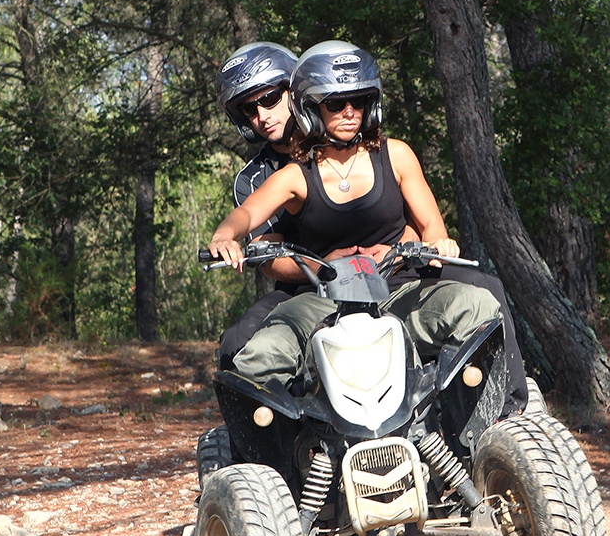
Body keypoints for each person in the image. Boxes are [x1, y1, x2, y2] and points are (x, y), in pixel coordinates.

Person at [208, 41, 501, 396]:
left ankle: (501, 404)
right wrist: (226, 237)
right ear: (312, 105)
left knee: (483, 294)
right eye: (335, 103)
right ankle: (281, 427)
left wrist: (420, 243)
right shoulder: (284, 175)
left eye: (358, 101)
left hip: (393, 279)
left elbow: (426, 222)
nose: (349, 111)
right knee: (244, 350)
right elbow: (251, 223)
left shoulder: (392, 153)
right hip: (317, 289)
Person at [212, 41, 309, 369]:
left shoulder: (339, 145)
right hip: (302, 287)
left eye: (269, 99)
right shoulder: (251, 179)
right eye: (250, 110)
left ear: (294, 92)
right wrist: (326, 269)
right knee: (235, 346)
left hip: (377, 270)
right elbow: (269, 258)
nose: (262, 116)